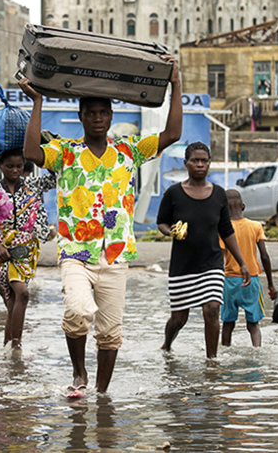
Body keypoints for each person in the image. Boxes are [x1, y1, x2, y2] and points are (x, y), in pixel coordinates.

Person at [19, 56, 182, 394]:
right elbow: (32, 152)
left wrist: (175, 84)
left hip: (116, 254)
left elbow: (172, 134)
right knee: (78, 311)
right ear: (80, 117)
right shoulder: (65, 152)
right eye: (90, 113)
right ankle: (80, 374)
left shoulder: (129, 150)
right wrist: (37, 102)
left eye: (102, 113)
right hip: (75, 252)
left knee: (110, 332)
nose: (96, 118)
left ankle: (101, 394)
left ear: (111, 117)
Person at [156, 142, 251, 359]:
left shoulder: (218, 194)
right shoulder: (174, 193)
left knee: (212, 309)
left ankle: (212, 361)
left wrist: (242, 262)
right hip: (183, 266)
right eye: (195, 161)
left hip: (212, 263)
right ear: (186, 163)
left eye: (204, 161)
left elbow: (226, 231)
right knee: (179, 319)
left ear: (209, 164)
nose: (200, 164)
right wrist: (170, 231)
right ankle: (167, 345)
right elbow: (161, 222)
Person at [0, 148, 56, 352]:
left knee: (13, 301)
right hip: (3, 251)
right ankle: (17, 347)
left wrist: (46, 147)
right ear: (0, 165)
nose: (15, 170)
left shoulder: (33, 185)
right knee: (23, 293)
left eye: (19, 166)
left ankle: (8, 348)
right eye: (9, 166)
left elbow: (57, 176)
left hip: (28, 251)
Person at [220, 189, 275, 348]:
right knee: (253, 325)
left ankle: (225, 353)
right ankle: (257, 350)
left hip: (229, 281)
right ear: (243, 206)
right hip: (251, 280)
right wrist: (271, 284)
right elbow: (264, 256)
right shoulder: (255, 226)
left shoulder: (223, 229)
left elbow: (218, 258)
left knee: (228, 324)